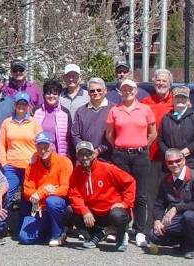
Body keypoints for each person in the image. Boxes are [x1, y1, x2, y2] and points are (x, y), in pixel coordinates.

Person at [105, 78, 157, 247]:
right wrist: (121, 147)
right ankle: (123, 229)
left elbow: (153, 133)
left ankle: (140, 230)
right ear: (121, 91)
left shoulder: (145, 109)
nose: (128, 91)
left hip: (140, 156)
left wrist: (141, 146)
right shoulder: (115, 110)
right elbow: (109, 135)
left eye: (131, 89)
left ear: (136, 91)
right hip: (120, 156)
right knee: (122, 194)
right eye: (125, 89)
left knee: (141, 195)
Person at [67, 141, 135, 252]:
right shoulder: (76, 173)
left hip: (111, 211)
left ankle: (121, 234)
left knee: (117, 215)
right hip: (94, 214)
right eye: (81, 154)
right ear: (77, 156)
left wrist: (125, 203)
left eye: (88, 153)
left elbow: (130, 182)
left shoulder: (108, 168)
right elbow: (74, 194)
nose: (84, 157)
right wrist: (84, 211)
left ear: (94, 154)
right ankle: (96, 235)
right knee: (70, 210)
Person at [149, 149, 194, 259]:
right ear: (166, 164)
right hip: (180, 218)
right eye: (170, 162)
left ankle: (193, 249)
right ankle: (185, 242)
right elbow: (159, 204)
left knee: (189, 216)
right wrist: (157, 220)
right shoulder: (165, 180)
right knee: (154, 235)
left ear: (184, 160)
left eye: (177, 161)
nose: (174, 164)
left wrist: (176, 208)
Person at [0, 92, 42, 236]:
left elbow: (41, 143)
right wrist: (4, 163)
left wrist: (37, 160)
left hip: (30, 166)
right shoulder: (7, 122)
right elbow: (2, 145)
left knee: (27, 198)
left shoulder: (34, 123)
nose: (21, 106)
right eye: (19, 104)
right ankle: (0, 228)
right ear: (14, 105)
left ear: (28, 106)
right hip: (11, 166)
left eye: (24, 104)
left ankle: (22, 228)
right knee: (7, 195)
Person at [18, 132, 72, 246]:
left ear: (52, 146)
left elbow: (66, 189)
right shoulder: (32, 165)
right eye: (39, 146)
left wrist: (42, 192)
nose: (43, 150)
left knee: (52, 201)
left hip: (58, 205)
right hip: (39, 209)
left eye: (46, 146)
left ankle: (57, 234)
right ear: (36, 147)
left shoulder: (64, 162)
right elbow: (27, 191)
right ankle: (48, 229)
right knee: (24, 238)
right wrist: (42, 191)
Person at [141, 69, 176, 214]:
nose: (161, 83)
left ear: (170, 84)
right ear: (154, 82)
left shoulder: (176, 102)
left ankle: (170, 227)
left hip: (171, 156)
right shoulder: (146, 102)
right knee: (152, 193)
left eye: (164, 81)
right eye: (158, 80)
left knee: (172, 193)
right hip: (151, 155)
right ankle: (151, 227)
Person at [159, 86, 194, 171]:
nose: (180, 100)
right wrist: (170, 154)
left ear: (188, 100)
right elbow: (160, 139)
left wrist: (184, 152)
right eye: (177, 97)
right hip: (171, 163)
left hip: (190, 161)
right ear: (173, 99)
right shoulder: (166, 118)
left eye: (183, 97)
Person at [72, 78, 114, 161]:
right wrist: (85, 150)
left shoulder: (114, 109)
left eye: (99, 90)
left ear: (105, 91)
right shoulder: (80, 111)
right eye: (92, 91)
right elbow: (75, 134)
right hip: (85, 158)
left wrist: (99, 150)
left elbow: (115, 134)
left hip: (108, 158)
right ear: (88, 93)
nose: (95, 93)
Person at [33, 80, 71, 156]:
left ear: (59, 95)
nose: (51, 96)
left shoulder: (65, 113)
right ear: (44, 95)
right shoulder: (35, 111)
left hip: (59, 156)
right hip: (39, 155)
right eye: (48, 93)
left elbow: (69, 137)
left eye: (55, 93)